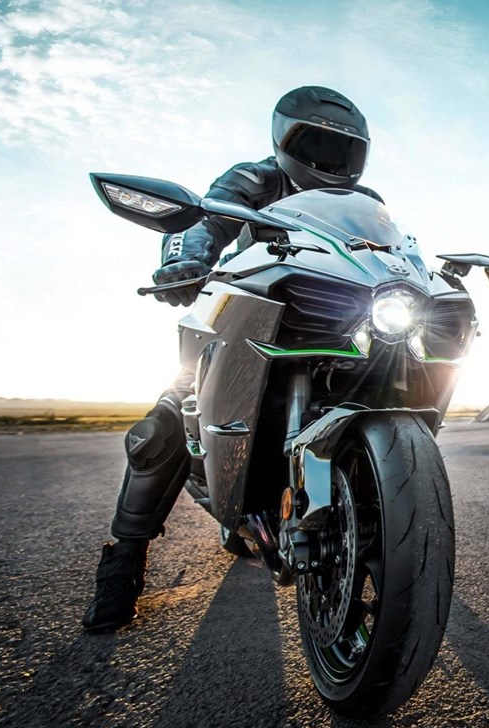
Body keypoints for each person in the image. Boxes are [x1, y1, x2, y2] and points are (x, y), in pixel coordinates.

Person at [82, 85, 385, 632]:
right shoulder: (255, 178)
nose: (329, 158)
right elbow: (202, 223)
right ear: (284, 140)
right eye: (316, 144)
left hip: (335, 326)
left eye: (343, 149)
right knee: (163, 426)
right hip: (250, 316)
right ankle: (124, 560)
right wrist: (184, 261)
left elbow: (393, 250)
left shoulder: (367, 203)